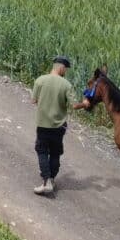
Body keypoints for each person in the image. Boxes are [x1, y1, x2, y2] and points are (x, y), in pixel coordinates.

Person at [31, 55, 90, 196]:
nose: (66, 72)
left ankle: (46, 182)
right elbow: (75, 105)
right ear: (62, 67)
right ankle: (51, 179)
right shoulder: (66, 85)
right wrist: (85, 104)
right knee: (55, 152)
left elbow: (34, 101)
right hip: (59, 126)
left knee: (42, 151)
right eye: (66, 69)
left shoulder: (40, 80)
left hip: (43, 124)